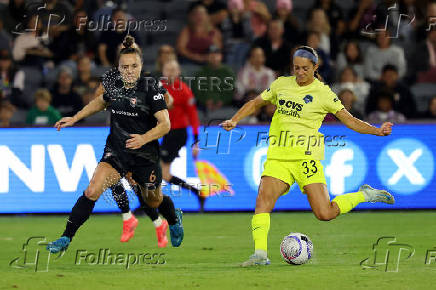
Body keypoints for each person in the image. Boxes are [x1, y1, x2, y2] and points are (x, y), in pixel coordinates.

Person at [220, 46, 395, 266]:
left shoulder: (324, 93)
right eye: (296, 68)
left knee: (325, 213)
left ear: (315, 67)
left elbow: (350, 120)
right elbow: (256, 103)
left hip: (307, 159)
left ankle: (365, 195)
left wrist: (376, 130)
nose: (300, 72)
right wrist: (235, 119)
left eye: (304, 68)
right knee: (262, 201)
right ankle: (260, 255)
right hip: (279, 157)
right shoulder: (281, 84)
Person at [46, 36, 184, 253]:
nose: (129, 71)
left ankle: (173, 218)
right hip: (117, 152)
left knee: (153, 201)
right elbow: (99, 102)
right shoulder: (113, 85)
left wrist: (144, 138)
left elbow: (165, 124)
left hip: (145, 155)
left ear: (141, 66)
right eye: (124, 67)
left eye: (134, 66)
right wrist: (74, 117)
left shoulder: (151, 87)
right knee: (92, 190)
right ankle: (65, 238)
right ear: (118, 68)